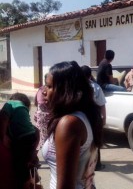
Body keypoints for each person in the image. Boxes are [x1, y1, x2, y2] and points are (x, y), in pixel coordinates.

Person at [42, 61, 103, 189]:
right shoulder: (86, 115)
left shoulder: (69, 123)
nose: (43, 91)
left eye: (49, 86)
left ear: (65, 90)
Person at [0, 93, 40, 189]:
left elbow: (4, 119)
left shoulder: (8, 109)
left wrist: (3, 136)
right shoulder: (21, 125)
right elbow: (36, 131)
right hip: (27, 142)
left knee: (23, 166)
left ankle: (26, 180)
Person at [81, 65, 106, 170]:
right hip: (94, 117)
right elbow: (102, 104)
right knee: (95, 140)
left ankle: (83, 164)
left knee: (82, 141)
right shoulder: (95, 87)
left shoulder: (76, 87)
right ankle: (97, 164)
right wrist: (104, 118)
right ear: (90, 76)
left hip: (81, 117)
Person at [34, 73, 51, 150]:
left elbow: (35, 102)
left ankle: (34, 157)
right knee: (44, 138)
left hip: (41, 115)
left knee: (41, 138)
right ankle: (35, 156)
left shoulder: (40, 89)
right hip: (45, 117)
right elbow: (43, 103)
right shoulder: (44, 89)